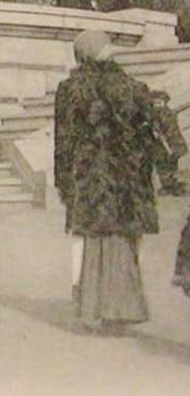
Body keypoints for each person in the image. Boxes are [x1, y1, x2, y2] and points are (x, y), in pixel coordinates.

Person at [54, 29, 161, 334]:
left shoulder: (71, 89)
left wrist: (63, 181)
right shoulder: (133, 87)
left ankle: (93, 308)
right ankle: (123, 309)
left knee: (93, 242)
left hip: (91, 179)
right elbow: (149, 136)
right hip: (128, 181)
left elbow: (64, 141)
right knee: (123, 242)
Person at [149, 90, 187, 196]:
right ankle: (168, 184)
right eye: (156, 103)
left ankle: (171, 182)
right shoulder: (154, 116)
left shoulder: (167, 113)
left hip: (173, 142)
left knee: (172, 163)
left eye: (161, 103)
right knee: (163, 164)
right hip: (162, 145)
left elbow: (172, 130)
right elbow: (157, 131)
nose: (159, 105)